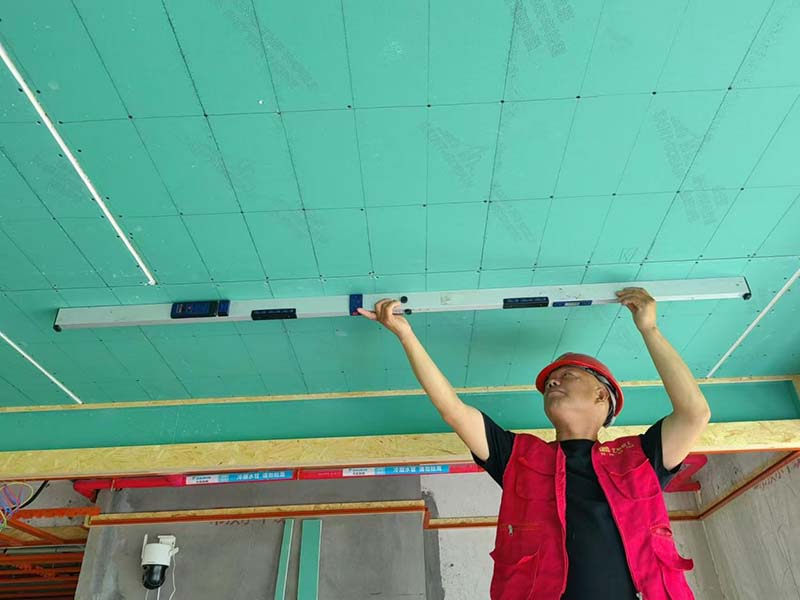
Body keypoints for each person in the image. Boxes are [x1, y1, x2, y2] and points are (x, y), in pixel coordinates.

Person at [358, 287, 710, 600]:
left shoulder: (639, 458)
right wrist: (405, 335)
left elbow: (695, 413)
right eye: (549, 383)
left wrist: (649, 329)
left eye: (566, 376)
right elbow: (454, 411)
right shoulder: (519, 457)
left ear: (601, 395)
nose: (553, 383)